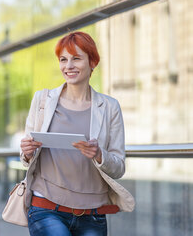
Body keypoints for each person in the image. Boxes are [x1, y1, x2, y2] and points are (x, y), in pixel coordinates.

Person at [20, 31, 135, 236]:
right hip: (46, 207)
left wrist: (99, 155)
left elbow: (118, 167)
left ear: (92, 62)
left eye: (76, 58)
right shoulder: (42, 101)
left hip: (92, 214)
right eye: (63, 59)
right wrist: (27, 151)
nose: (68, 66)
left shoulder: (109, 107)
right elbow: (27, 157)